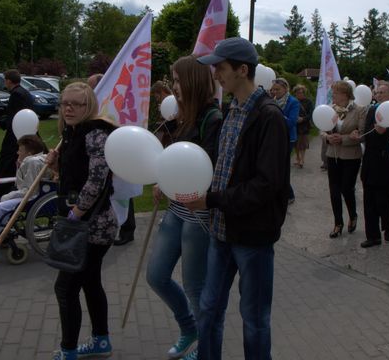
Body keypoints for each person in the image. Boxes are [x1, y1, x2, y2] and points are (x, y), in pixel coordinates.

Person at [185, 37, 289, 360]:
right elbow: (220, 165)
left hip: (252, 237)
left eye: (221, 67)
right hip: (221, 232)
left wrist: (212, 200)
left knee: (254, 319)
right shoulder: (229, 110)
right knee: (208, 310)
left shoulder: (269, 117)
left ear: (242, 70)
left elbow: (266, 185)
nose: (215, 73)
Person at [146, 55, 223, 359]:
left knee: (195, 286)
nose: (174, 87)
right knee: (156, 275)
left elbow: (209, 168)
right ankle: (189, 328)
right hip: (175, 210)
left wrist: (175, 180)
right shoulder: (183, 116)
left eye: (177, 80)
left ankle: (205, 344)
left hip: (198, 214)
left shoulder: (212, 118)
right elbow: (176, 160)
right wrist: (162, 180)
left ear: (191, 80)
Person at [45, 82, 119, 360]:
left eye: (76, 104)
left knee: (65, 287)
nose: (68, 108)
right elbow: (75, 174)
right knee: (90, 282)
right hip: (83, 224)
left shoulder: (95, 134)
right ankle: (101, 342)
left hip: (93, 227)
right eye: (65, 103)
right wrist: (55, 164)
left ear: (88, 107)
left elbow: (97, 180)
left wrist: (76, 213)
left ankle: (69, 351)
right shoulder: (72, 133)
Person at [354, 81, 389, 248]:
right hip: (371, 162)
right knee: (369, 200)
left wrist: (386, 133)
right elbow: (367, 134)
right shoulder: (373, 110)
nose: (378, 95)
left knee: (383, 201)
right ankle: (372, 236)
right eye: (377, 93)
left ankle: (388, 224)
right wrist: (365, 135)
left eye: (382, 93)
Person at [87, 72, 135, 247]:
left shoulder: (110, 105)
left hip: (117, 155)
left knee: (123, 192)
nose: (91, 90)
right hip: (106, 155)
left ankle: (127, 230)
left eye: (93, 86)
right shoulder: (96, 106)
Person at [322, 81, 367, 238]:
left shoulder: (360, 110)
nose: (332, 95)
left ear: (345, 94)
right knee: (334, 190)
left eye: (335, 92)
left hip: (351, 156)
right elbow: (322, 129)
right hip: (332, 154)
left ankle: (353, 215)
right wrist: (328, 137)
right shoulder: (330, 110)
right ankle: (338, 223)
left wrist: (343, 139)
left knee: (346, 189)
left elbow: (361, 134)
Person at [0, 69, 34, 200]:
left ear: (8, 81)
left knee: (5, 163)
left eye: (5, 80)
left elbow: (14, 117)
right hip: (25, 133)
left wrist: (1, 123)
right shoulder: (25, 93)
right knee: (14, 164)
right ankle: (5, 189)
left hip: (15, 136)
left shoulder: (17, 95)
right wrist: (1, 122)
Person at [270, 77, 299, 205]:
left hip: (288, 138)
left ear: (285, 88)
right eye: (273, 89)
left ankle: (289, 194)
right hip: (275, 137)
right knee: (274, 166)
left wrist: (276, 112)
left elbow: (291, 123)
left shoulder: (293, 102)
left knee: (282, 167)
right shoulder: (272, 101)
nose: (275, 92)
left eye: (278, 89)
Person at [151, 80, 177, 147]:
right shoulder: (164, 105)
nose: (157, 100)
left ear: (161, 92)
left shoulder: (175, 102)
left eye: (157, 97)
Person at [292, 84, 313, 169]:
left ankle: (302, 159)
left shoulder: (308, 102)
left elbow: (311, 114)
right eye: (298, 92)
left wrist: (303, 119)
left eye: (301, 92)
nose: (299, 94)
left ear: (304, 93)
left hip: (304, 125)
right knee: (296, 143)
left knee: (303, 143)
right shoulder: (293, 101)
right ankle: (297, 157)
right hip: (294, 125)